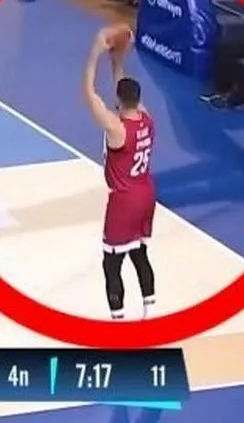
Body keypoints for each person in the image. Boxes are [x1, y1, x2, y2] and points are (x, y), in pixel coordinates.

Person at [84, 27, 158, 321]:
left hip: (124, 199)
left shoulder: (117, 129)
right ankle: (151, 312)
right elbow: (123, 88)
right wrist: (117, 59)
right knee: (139, 254)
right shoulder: (147, 119)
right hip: (146, 193)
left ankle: (119, 323)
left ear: (117, 100)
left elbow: (89, 93)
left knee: (111, 264)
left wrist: (96, 52)